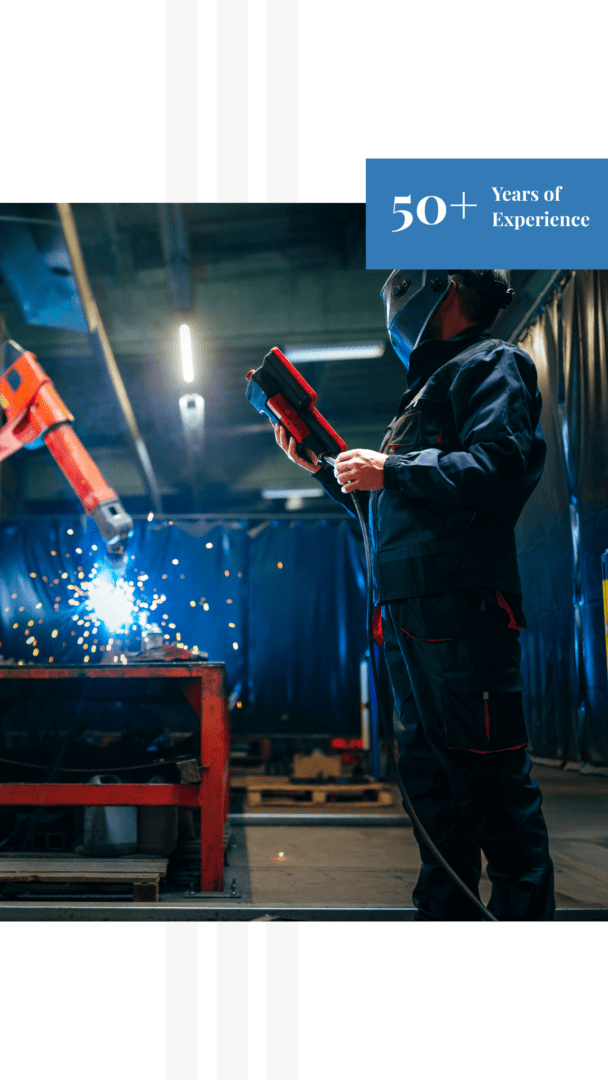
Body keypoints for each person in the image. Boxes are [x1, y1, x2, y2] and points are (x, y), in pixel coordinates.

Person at [272, 269, 555, 921]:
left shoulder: (492, 363)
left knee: (492, 793)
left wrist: (390, 467)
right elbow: (394, 515)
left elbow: (500, 465)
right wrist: (327, 471)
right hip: (408, 617)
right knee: (434, 797)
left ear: (443, 286)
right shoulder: (427, 388)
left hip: (462, 615)